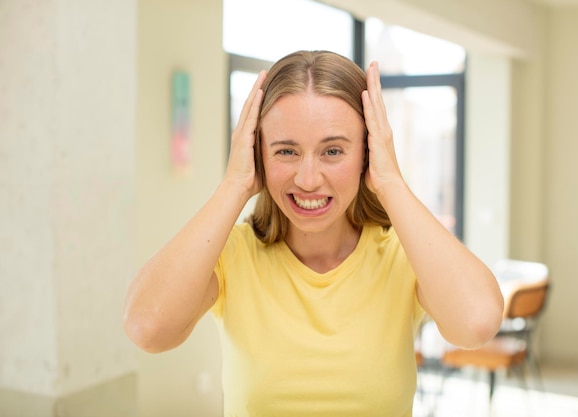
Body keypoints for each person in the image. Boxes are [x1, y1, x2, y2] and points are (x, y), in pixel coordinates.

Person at [123, 50, 504, 417]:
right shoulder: (234, 255)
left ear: (367, 155)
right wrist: (234, 184)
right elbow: (147, 328)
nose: (307, 180)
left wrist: (390, 182)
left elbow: (476, 323)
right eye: (286, 152)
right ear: (259, 154)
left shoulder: (402, 256)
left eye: (333, 151)